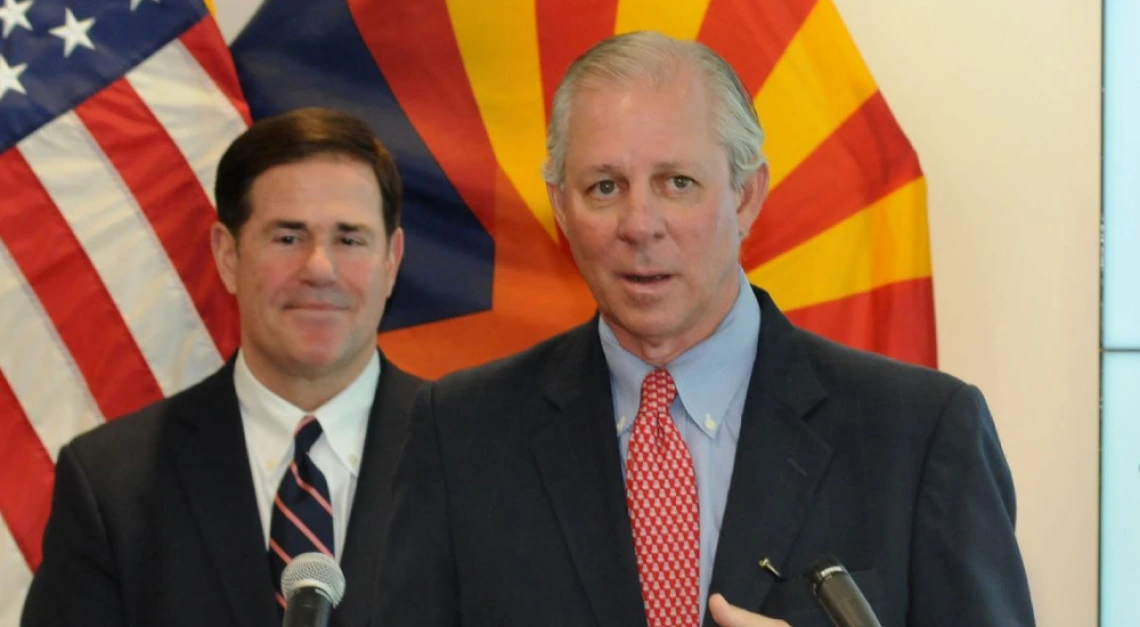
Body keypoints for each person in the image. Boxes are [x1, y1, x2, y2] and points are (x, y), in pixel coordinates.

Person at [372, 32, 1035, 627]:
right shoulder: (458, 435)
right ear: (562, 208)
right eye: (605, 187)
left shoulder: (921, 433)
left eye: (677, 182)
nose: (640, 224)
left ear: (746, 196)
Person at [22, 107, 421, 627]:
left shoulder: (477, 460)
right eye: (287, 237)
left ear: (391, 261)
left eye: (349, 239)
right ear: (228, 255)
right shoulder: (112, 485)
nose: (319, 268)